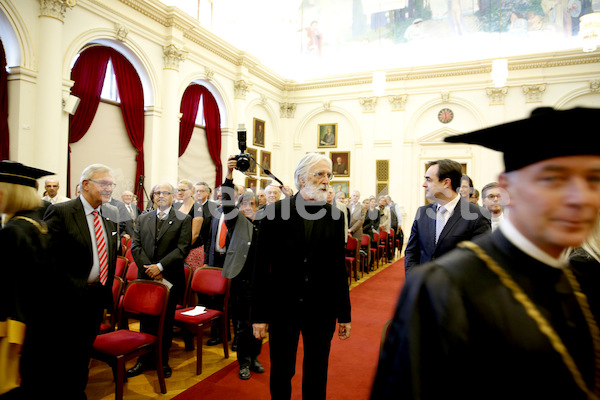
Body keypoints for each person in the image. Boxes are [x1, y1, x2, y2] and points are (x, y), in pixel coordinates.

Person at [372, 107, 600, 400]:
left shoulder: (579, 274)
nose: (579, 197)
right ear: (508, 189)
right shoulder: (445, 285)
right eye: (553, 179)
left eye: (594, 179)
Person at [252, 152, 351, 400]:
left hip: (321, 309)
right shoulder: (273, 213)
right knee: (281, 372)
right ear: (300, 178)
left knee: (317, 372)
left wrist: (345, 314)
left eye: (328, 175)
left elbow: (339, 269)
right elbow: (261, 268)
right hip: (283, 308)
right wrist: (259, 316)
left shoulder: (335, 217)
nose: (325, 180)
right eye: (319, 174)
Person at [44, 164, 119, 399]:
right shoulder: (62, 212)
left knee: (83, 352)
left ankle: (78, 391)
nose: (109, 189)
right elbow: (47, 260)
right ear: (85, 185)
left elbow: (109, 256)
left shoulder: (108, 215)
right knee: (64, 355)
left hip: (95, 298)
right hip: (68, 299)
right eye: (104, 184)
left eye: (111, 185)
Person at [127, 182, 192, 379]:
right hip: (146, 278)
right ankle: (143, 360)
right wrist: (150, 269)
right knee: (146, 321)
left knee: (165, 322)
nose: (161, 196)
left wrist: (160, 267)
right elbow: (135, 246)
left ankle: (162, 360)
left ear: (173, 196)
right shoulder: (143, 217)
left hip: (169, 277)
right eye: (157, 193)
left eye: (165, 193)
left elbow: (182, 249)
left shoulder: (183, 219)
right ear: (153, 196)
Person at [0, 161, 53, 398]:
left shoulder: (14, 229)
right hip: (41, 322)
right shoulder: (38, 223)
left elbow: (12, 288)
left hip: (16, 326)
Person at [404, 159, 490, 275]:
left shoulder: (477, 215)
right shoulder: (422, 212)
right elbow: (411, 252)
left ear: (446, 183)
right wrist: (413, 281)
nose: (424, 184)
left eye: (429, 180)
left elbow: (479, 262)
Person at [220, 156, 265, 380]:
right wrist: (229, 176)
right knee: (243, 324)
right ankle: (244, 362)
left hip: (262, 282)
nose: (247, 207)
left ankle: (256, 357)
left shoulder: (266, 224)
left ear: (258, 206)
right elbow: (227, 202)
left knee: (260, 322)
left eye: (252, 204)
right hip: (242, 280)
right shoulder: (235, 221)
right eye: (243, 204)